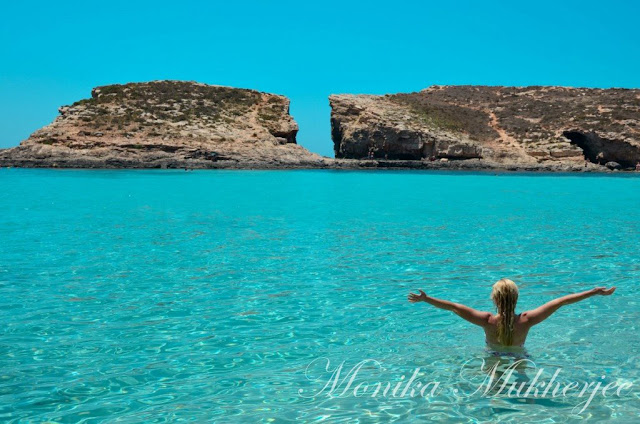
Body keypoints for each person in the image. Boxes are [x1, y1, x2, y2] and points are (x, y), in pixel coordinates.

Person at [407, 278, 616, 351]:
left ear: (494, 299)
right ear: (515, 298)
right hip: (519, 356)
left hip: (493, 356)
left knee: (492, 390)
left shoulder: (487, 320)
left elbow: (453, 306)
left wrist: (426, 299)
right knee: (524, 386)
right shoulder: (526, 320)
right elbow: (561, 301)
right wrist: (594, 292)